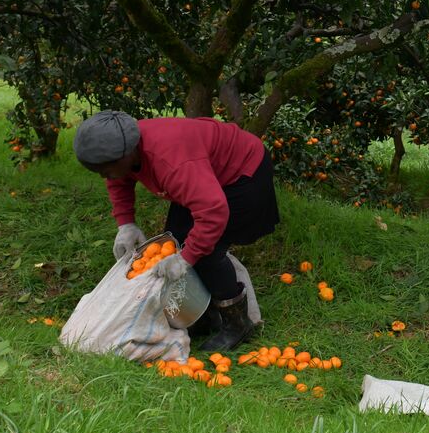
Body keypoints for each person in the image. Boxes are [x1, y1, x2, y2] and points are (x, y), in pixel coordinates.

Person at [73, 110, 278, 351]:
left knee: (206, 252)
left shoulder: (170, 161)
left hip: (242, 172)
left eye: (105, 170)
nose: (104, 176)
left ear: (126, 154)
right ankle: (206, 314)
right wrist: (125, 223)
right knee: (176, 240)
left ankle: (237, 323)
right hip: (204, 174)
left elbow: (213, 211)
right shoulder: (125, 151)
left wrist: (188, 258)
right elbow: (118, 180)